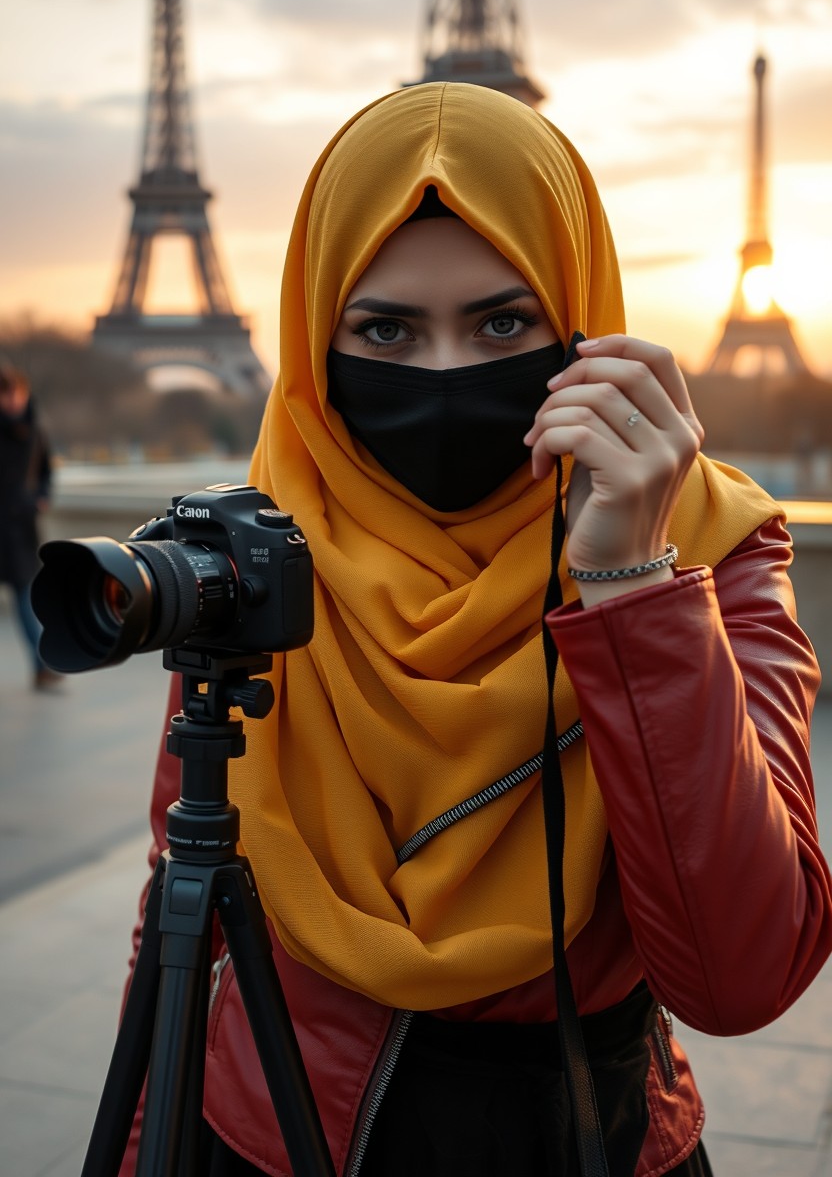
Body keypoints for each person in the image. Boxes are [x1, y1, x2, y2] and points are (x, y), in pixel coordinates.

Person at [120, 83, 832, 1176]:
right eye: (385, 328)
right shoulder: (257, 548)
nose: (446, 375)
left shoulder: (714, 548)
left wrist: (632, 584)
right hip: (267, 1135)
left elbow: (739, 975)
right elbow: (183, 896)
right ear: (319, 340)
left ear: (581, 321)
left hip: (584, 1139)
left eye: (503, 322)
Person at [0, 358, 61, 690]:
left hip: (20, 528)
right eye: (6, 395)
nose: (12, 401)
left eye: (16, 394)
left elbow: (47, 473)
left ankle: (41, 667)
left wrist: (40, 496)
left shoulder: (35, 430)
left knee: (26, 600)